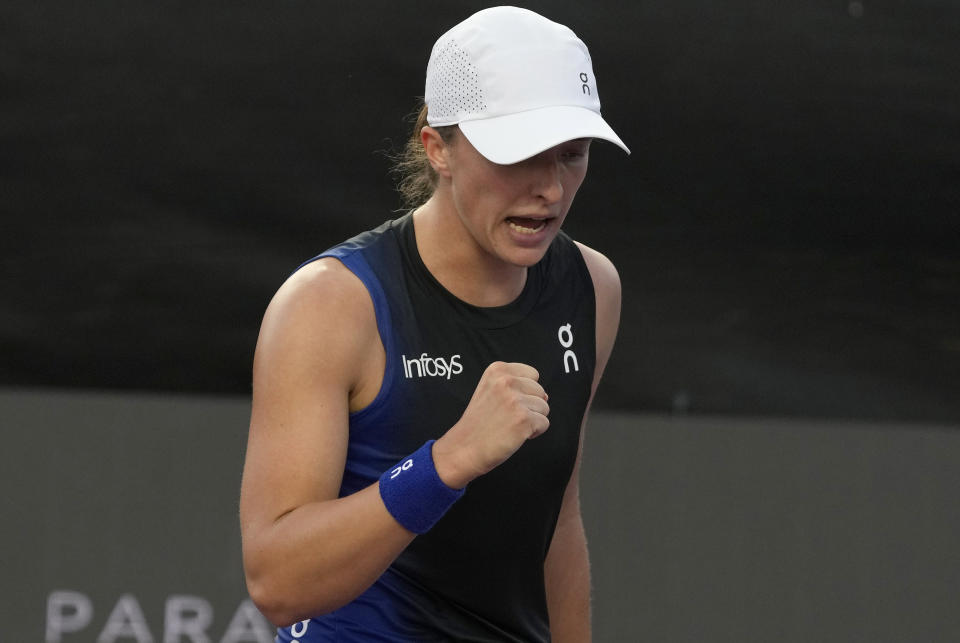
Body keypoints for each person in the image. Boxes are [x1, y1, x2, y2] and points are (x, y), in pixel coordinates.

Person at [239, 6, 629, 642]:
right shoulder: (330, 304)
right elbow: (278, 585)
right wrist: (448, 461)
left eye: (572, 155)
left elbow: (556, 519)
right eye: (519, 155)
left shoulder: (592, 287)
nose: (551, 190)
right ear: (437, 147)